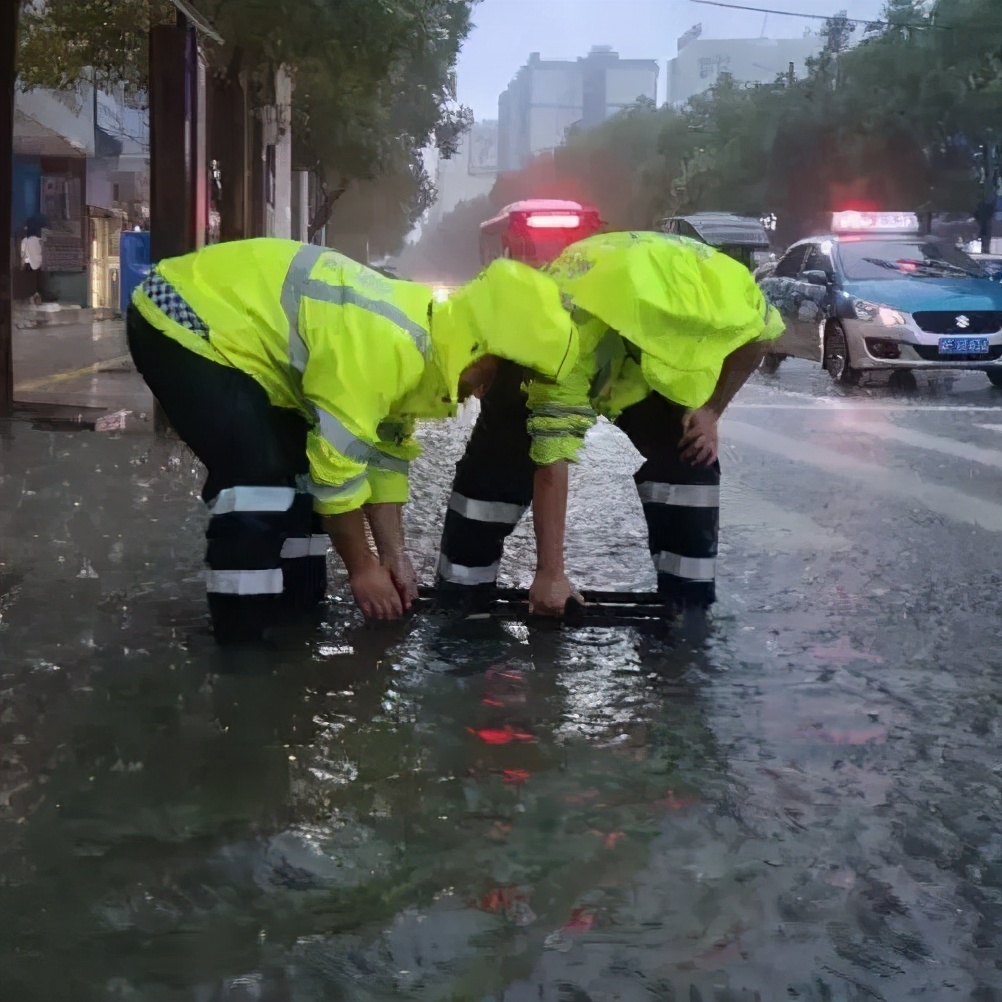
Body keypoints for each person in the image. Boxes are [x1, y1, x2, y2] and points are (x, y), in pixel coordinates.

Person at [126, 238, 580, 642]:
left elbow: (381, 458)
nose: (482, 394)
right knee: (258, 478)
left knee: (298, 477)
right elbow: (337, 475)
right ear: (478, 348)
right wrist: (362, 569)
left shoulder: (429, 346)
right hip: (182, 315)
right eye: (493, 379)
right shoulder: (388, 349)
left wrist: (393, 557)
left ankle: (298, 613)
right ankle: (241, 640)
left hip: (243, 344)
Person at [435, 230, 785, 615]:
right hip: (608, 334)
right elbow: (549, 455)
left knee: (691, 454)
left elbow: (761, 337)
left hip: (641, 368)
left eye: (470, 381)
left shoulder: (727, 291)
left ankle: (688, 603)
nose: (471, 394)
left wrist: (711, 411)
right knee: (496, 456)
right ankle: (463, 593)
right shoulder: (552, 330)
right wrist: (551, 573)